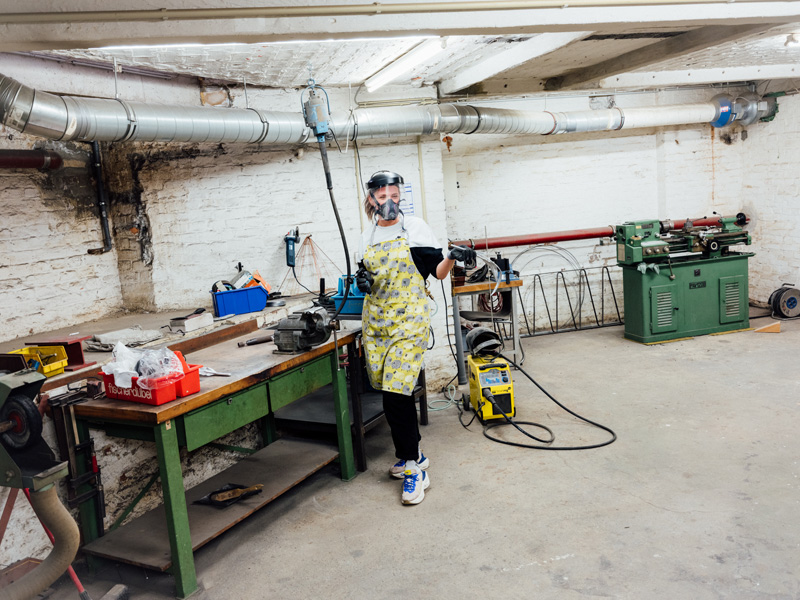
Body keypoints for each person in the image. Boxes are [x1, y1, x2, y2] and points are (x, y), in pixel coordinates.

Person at [355, 170, 475, 505]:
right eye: (383, 197)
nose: (389, 202)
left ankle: (413, 469)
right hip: (377, 321)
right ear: (371, 199)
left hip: (409, 319)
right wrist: (361, 282)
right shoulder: (367, 236)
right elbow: (365, 274)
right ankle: (414, 454)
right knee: (389, 390)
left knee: (396, 391)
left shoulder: (416, 228)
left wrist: (451, 256)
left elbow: (436, 272)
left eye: (395, 196)